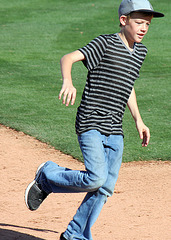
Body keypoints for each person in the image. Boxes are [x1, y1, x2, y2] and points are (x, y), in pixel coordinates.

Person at [25, 0, 164, 239]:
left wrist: (139, 120)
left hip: (115, 128)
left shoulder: (140, 52)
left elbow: (127, 85)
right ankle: (47, 176)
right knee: (96, 178)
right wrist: (68, 81)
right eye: (139, 22)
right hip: (91, 122)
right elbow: (68, 58)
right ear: (124, 21)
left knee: (104, 188)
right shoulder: (105, 43)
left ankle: (74, 235)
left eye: (148, 24)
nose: (144, 28)